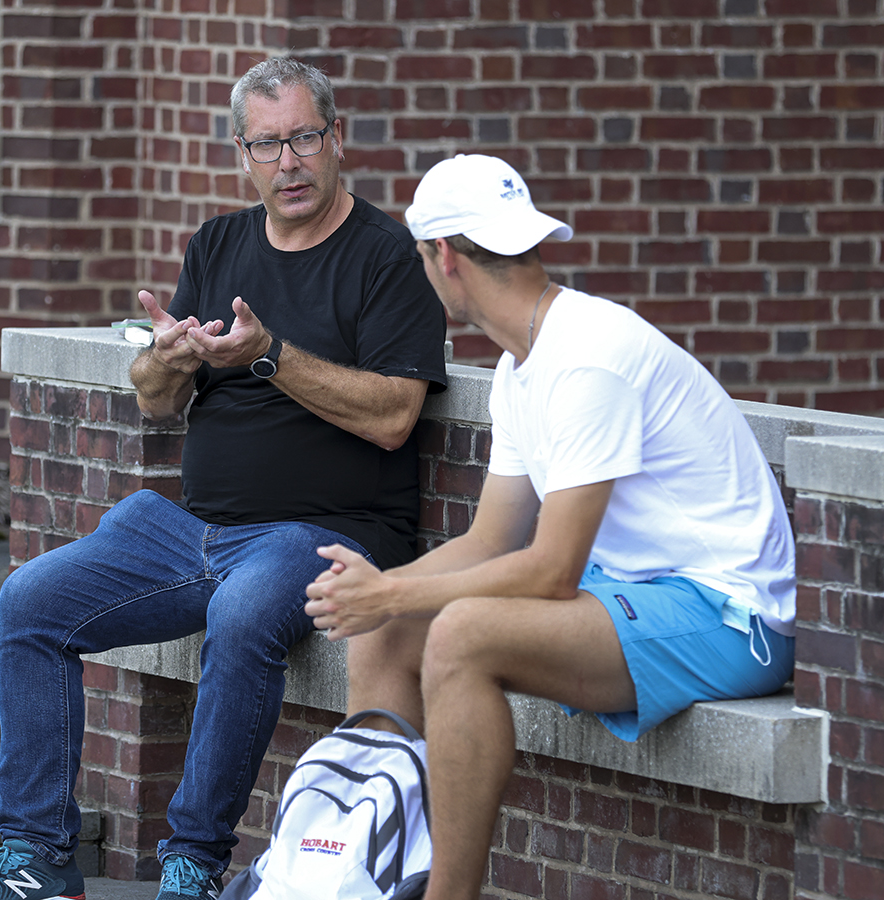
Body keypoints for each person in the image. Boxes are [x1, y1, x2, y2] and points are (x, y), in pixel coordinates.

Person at [0, 59, 447, 900]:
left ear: (337, 140)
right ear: (242, 153)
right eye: (267, 143)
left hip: (319, 534)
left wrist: (269, 355)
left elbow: (394, 415)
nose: (289, 161)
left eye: (304, 138)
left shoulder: (385, 258)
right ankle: (37, 858)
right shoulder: (218, 244)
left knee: (242, 614)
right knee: (30, 601)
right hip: (192, 531)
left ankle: (192, 866)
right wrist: (160, 361)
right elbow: (161, 403)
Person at [303, 154, 796, 900]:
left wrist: (395, 594)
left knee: (463, 634)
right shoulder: (522, 365)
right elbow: (491, 540)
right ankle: (367, 873)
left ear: (442, 258)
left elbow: (551, 569)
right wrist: (376, 594)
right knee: (387, 630)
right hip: (640, 590)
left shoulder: (587, 358)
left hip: (731, 614)